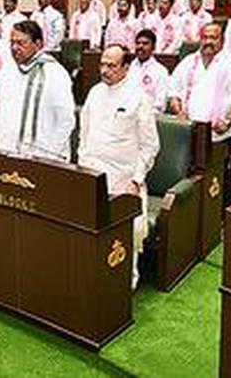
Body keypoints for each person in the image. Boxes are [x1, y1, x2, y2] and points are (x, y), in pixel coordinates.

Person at [78, 44, 159, 289]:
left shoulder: (139, 97)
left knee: (125, 236)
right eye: (102, 64)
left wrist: (136, 179)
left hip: (124, 179)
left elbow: (150, 145)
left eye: (111, 65)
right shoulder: (94, 92)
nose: (104, 69)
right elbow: (84, 134)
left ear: (125, 67)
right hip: (92, 173)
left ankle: (125, 285)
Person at [0, 20, 75, 162]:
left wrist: (51, 155)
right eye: (12, 42)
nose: (14, 47)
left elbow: (65, 120)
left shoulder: (55, 73)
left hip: (44, 156)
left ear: (38, 44)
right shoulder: (7, 70)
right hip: (7, 152)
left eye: (21, 43)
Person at [169, 22, 231, 141]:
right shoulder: (187, 62)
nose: (208, 41)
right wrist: (178, 112)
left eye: (213, 38)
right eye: (205, 37)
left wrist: (227, 120)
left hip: (218, 134)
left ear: (223, 40)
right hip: (186, 129)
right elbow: (173, 89)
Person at [131, 29, 170, 113]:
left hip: (148, 117)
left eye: (145, 43)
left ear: (153, 47)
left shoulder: (161, 71)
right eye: (138, 43)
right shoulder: (128, 68)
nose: (140, 46)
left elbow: (160, 105)